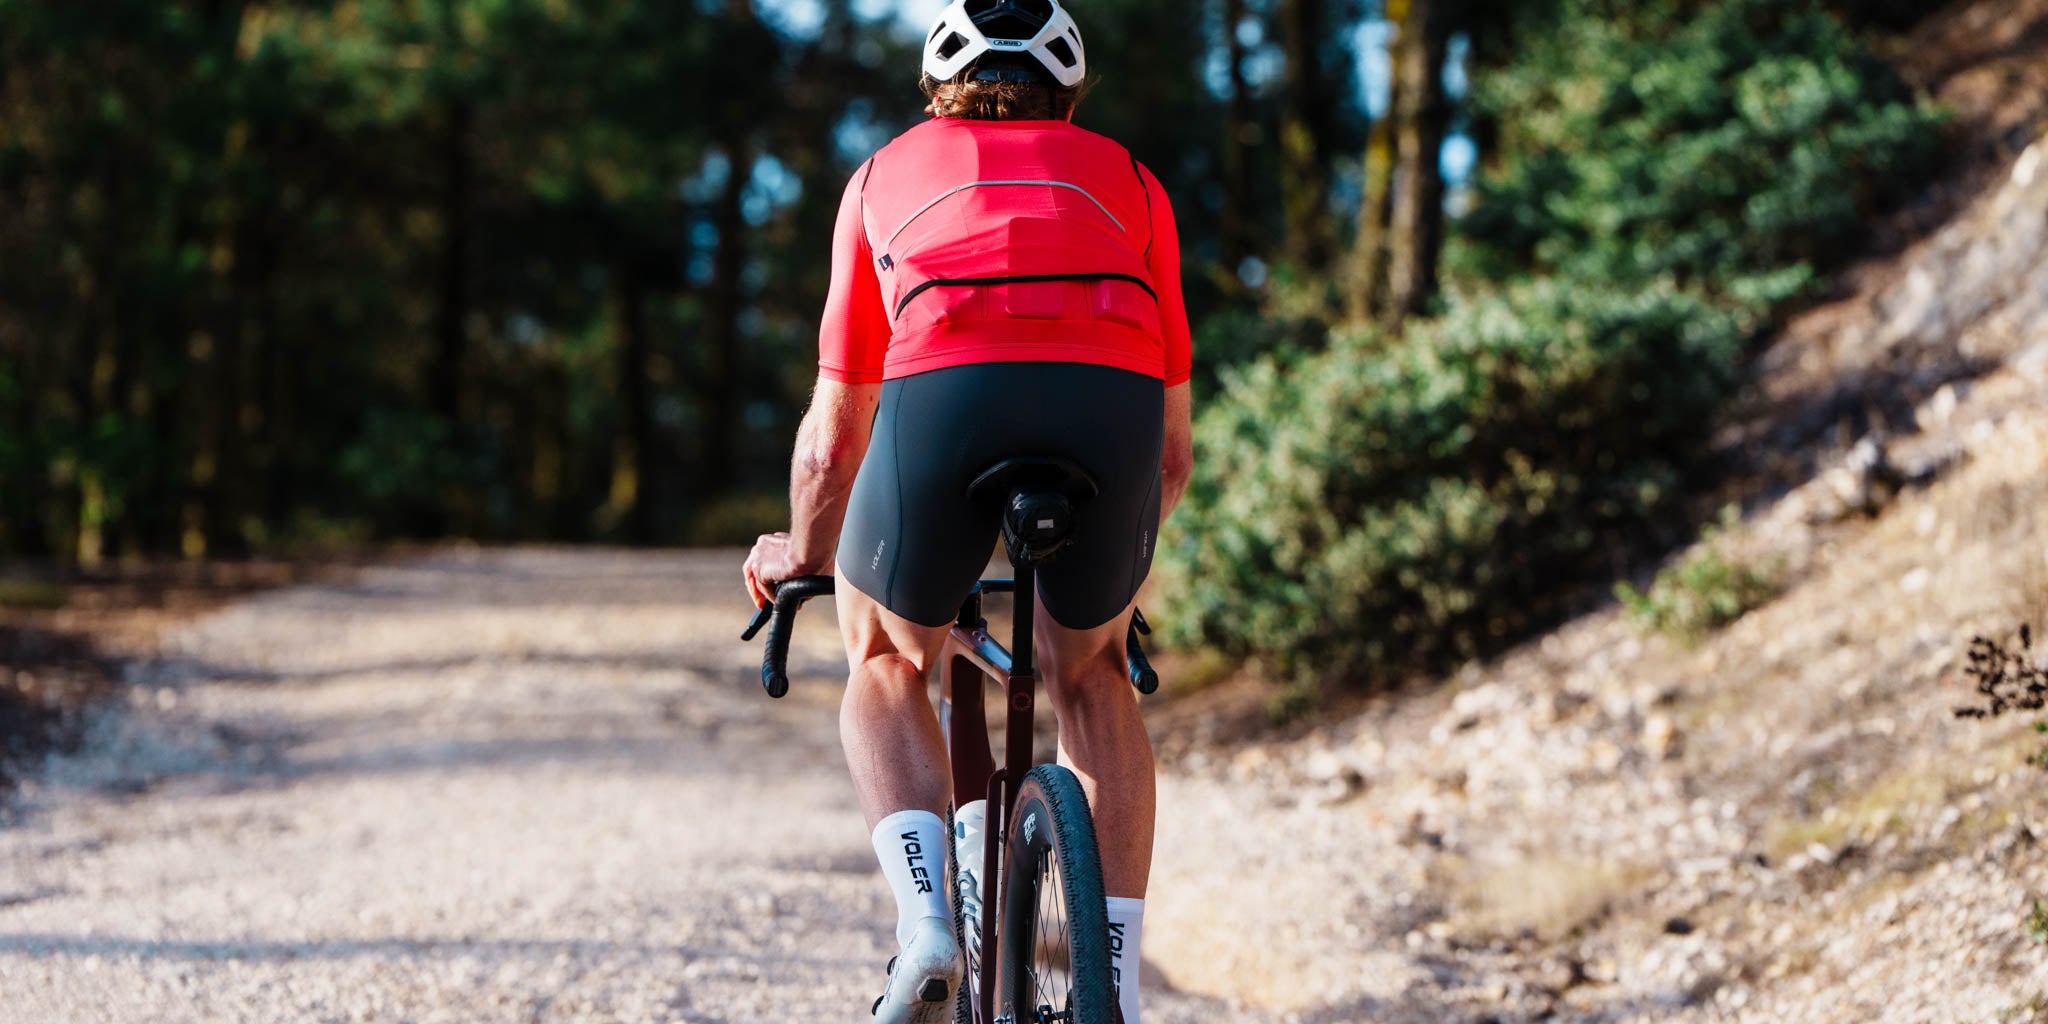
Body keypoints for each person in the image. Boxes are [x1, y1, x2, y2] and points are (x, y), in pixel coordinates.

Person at [742, 0, 1192, 1019]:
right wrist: (1112, 588)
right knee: (1092, 677)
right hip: (1108, 409)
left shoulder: (879, 176)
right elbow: (1171, 454)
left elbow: (830, 442)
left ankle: (926, 931)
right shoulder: (1133, 182)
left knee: (885, 655)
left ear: (936, 87)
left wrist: (800, 552)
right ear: (1068, 95)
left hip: (944, 399)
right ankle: (1113, 987)